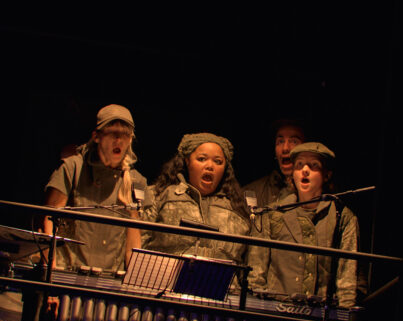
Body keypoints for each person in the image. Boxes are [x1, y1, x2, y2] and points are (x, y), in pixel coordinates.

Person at [246, 142, 361, 321]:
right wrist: (258, 315)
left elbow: (346, 277)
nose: (305, 171)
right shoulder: (273, 214)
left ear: (326, 175)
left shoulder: (342, 217)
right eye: (299, 166)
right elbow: (257, 270)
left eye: (313, 166)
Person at [41, 103, 146, 276]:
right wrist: (50, 271)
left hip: (109, 278)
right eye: (113, 133)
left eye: (125, 134)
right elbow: (49, 219)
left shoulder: (136, 181)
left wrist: (134, 280)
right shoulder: (73, 168)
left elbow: (133, 241)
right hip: (67, 273)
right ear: (96, 137)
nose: (119, 140)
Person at [141, 132, 251, 263]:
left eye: (218, 162)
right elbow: (138, 245)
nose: (210, 166)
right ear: (187, 161)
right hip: (163, 274)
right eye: (202, 159)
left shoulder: (238, 210)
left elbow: (251, 265)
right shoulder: (159, 195)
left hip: (218, 276)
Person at [242, 118, 306, 208]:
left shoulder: (317, 194)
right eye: (281, 141)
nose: (285, 148)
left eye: (294, 141)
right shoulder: (253, 192)